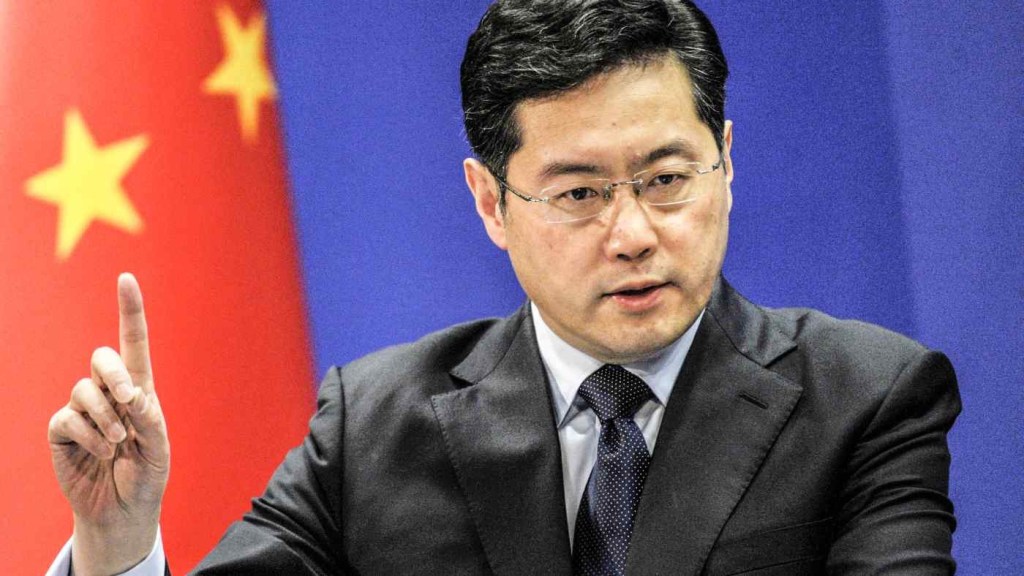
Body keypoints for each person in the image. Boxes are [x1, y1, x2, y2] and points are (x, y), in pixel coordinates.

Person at [46, 0, 961, 574]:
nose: (634, 233)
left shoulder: (866, 398)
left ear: (725, 160)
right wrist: (116, 545)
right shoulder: (375, 425)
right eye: (580, 194)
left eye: (667, 178)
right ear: (490, 202)